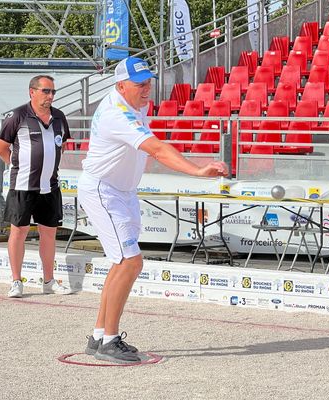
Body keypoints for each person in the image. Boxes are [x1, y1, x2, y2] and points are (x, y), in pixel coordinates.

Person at [77, 56, 228, 363]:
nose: (147, 89)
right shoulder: (117, 113)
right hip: (104, 190)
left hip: (121, 191)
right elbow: (157, 150)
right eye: (139, 84)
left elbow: (154, 149)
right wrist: (197, 171)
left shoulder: (132, 104)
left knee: (122, 263)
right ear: (121, 85)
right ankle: (109, 340)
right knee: (131, 262)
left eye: (148, 82)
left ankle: (98, 336)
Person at [0, 75, 72, 298]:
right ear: (32, 92)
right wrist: (17, 165)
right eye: (46, 91)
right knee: (19, 232)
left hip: (50, 186)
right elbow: (1, 148)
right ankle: (16, 281)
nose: (50, 96)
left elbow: (62, 146)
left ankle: (48, 281)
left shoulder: (59, 117)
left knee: (49, 234)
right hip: (22, 186)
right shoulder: (17, 116)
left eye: (53, 92)